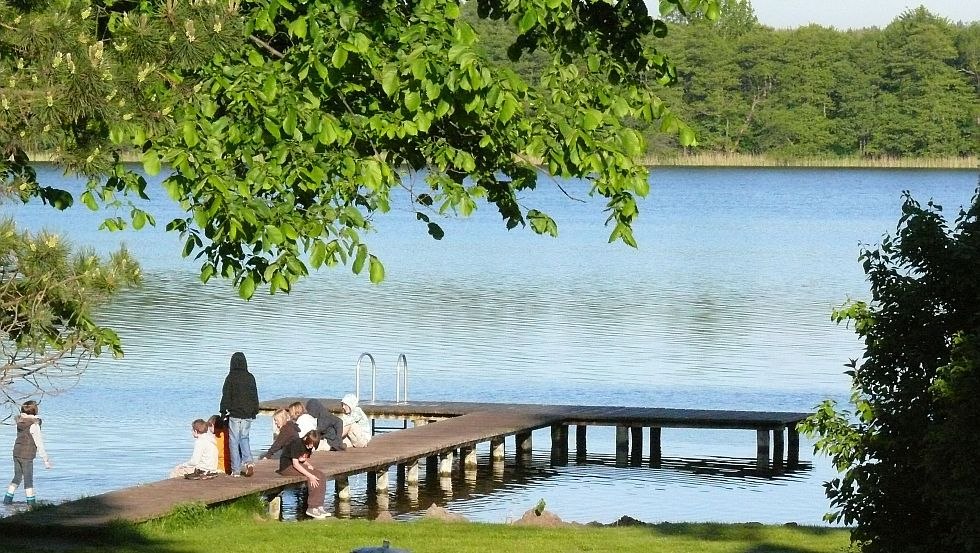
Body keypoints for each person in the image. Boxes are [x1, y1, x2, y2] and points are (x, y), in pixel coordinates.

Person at [278, 414, 330, 519]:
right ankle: (311, 507)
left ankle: (319, 505)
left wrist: (308, 464)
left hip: (297, 464)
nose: (311, 447)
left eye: (313, 445)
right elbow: (295, 463)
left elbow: (302, 459)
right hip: (287, 467)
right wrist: (310, 475)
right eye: (310, 444)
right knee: (313, 476)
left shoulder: (309, 446)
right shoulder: (297, 443)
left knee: (321, 475)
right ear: (306, 438)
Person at [4, 401, 52, 507]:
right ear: (35, 410)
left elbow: (23, 417)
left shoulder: (20, 421)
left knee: (17, 477)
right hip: (27, 455)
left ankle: (7, 501)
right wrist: (45, 459)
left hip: (16, 452)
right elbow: (38, 442)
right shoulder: (34, 424)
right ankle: (31, 504)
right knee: (28, 479)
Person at [219, 351, 259, 477]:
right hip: (248, 414)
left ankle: (236, 470)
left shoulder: (230, 377)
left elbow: (226, 395)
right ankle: (249, 462)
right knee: (245, 438)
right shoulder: (250, 377)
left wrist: (223, 411)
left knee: (233, 441)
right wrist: (255, 411)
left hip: (235, 414)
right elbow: (254, 395)